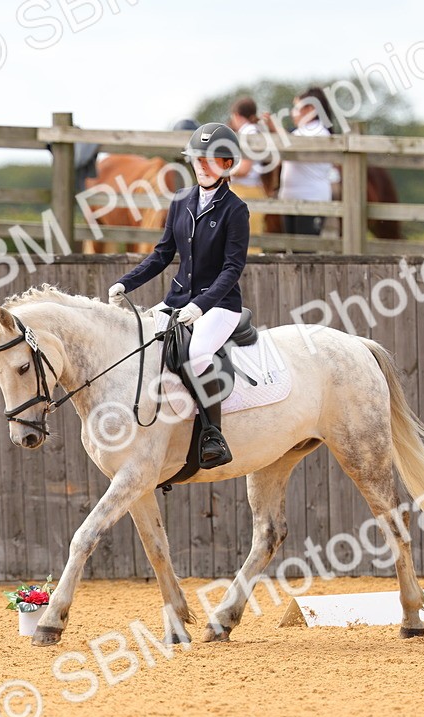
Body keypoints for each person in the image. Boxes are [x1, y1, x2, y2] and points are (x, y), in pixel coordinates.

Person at [108, 122, 251, 469]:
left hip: (219, 305)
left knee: (197, 353)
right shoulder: (181, 201)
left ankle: (212, 434)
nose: (202, 166)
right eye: (197, 159)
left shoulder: (236, 210)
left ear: (227, 164)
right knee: (140, 342)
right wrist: (126, 283)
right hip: (176, 300)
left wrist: (200, 307)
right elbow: (161, 254)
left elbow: (232, 269)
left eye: (210, 160)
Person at [262, 87, 339, 238]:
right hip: (292, 200)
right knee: (294, 250)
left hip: (311, 200)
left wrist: (275, 127)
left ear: (310, 109)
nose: (293, 113)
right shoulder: (301, 132)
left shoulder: (318, 131)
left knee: (305, 251)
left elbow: (291, 144)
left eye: (296, 108)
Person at [226, 97, 266, 246]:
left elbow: (244, 169)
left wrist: (221, 171)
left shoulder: (248, 132)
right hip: (248, 190)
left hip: (246, 191)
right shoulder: (252, 130)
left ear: (236, 115)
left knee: (245, 242)